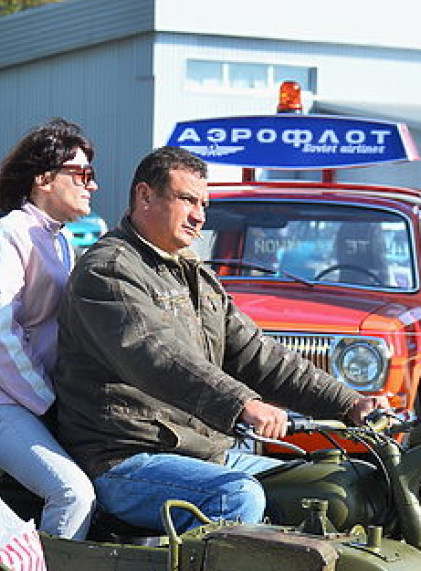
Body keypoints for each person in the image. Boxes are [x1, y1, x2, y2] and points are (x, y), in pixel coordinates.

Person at [54, 145, 389, 532]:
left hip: (202, 453)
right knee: (236, 496)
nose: (199, 216)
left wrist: (349, 403)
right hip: (126, 458)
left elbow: (257, 354)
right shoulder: (109, 272)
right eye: (187, 200)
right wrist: (243, 403)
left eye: (204, 204)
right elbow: (158, 355)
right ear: (145, 196)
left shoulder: (194, 274)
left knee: (332, 487)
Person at [0, 118, 98, 539]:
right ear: (44, 178)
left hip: (36, 403)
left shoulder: (60, 241)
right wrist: (51, 406)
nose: (92, 185)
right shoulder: (7, 234)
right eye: (82, 173)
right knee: (73, 493)